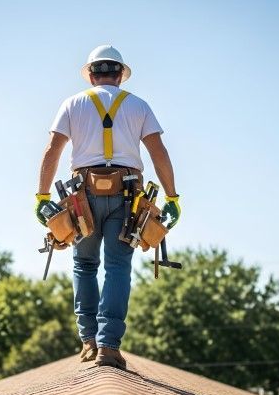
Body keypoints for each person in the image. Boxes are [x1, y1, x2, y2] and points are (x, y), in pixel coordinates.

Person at [35, 45, 181, 369]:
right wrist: (172, 198)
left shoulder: (72, 103)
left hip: (81, 197)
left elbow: (52, 150)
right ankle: (108, 347)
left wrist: (42, 197)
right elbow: (159, 153)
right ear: (119, 75)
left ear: (90, 74)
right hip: (127, 197)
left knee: (84, 265)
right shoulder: (139, 106)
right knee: (117, 267)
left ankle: (88, 341)